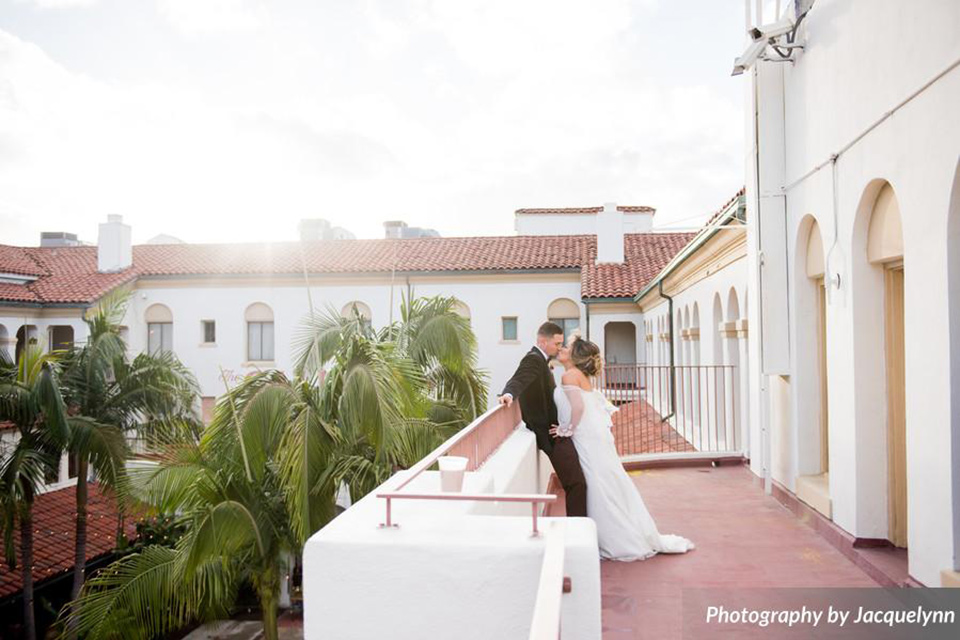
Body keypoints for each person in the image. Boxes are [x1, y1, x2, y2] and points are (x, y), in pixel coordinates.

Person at [552, 336, 695, 561]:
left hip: (585, 434)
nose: (563, 348)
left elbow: (578, 407)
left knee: (599, 481)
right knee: (606, 480)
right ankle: (621, 531)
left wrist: (566, 429)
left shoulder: (569, 375)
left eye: (567, 347)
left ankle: (616, 536)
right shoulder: (582, 376)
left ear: (575, 355)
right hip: (594, 434)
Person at [498, 322, 587, 517]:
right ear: (542, 341)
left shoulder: (542, 360)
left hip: (556, 432)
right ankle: (577, 528)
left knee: (577, 482)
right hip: (550, 435)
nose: (559, 347)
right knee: (576, 483)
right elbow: (518, 379)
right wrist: (508, 394)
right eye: (556, 343)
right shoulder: (533, 360)